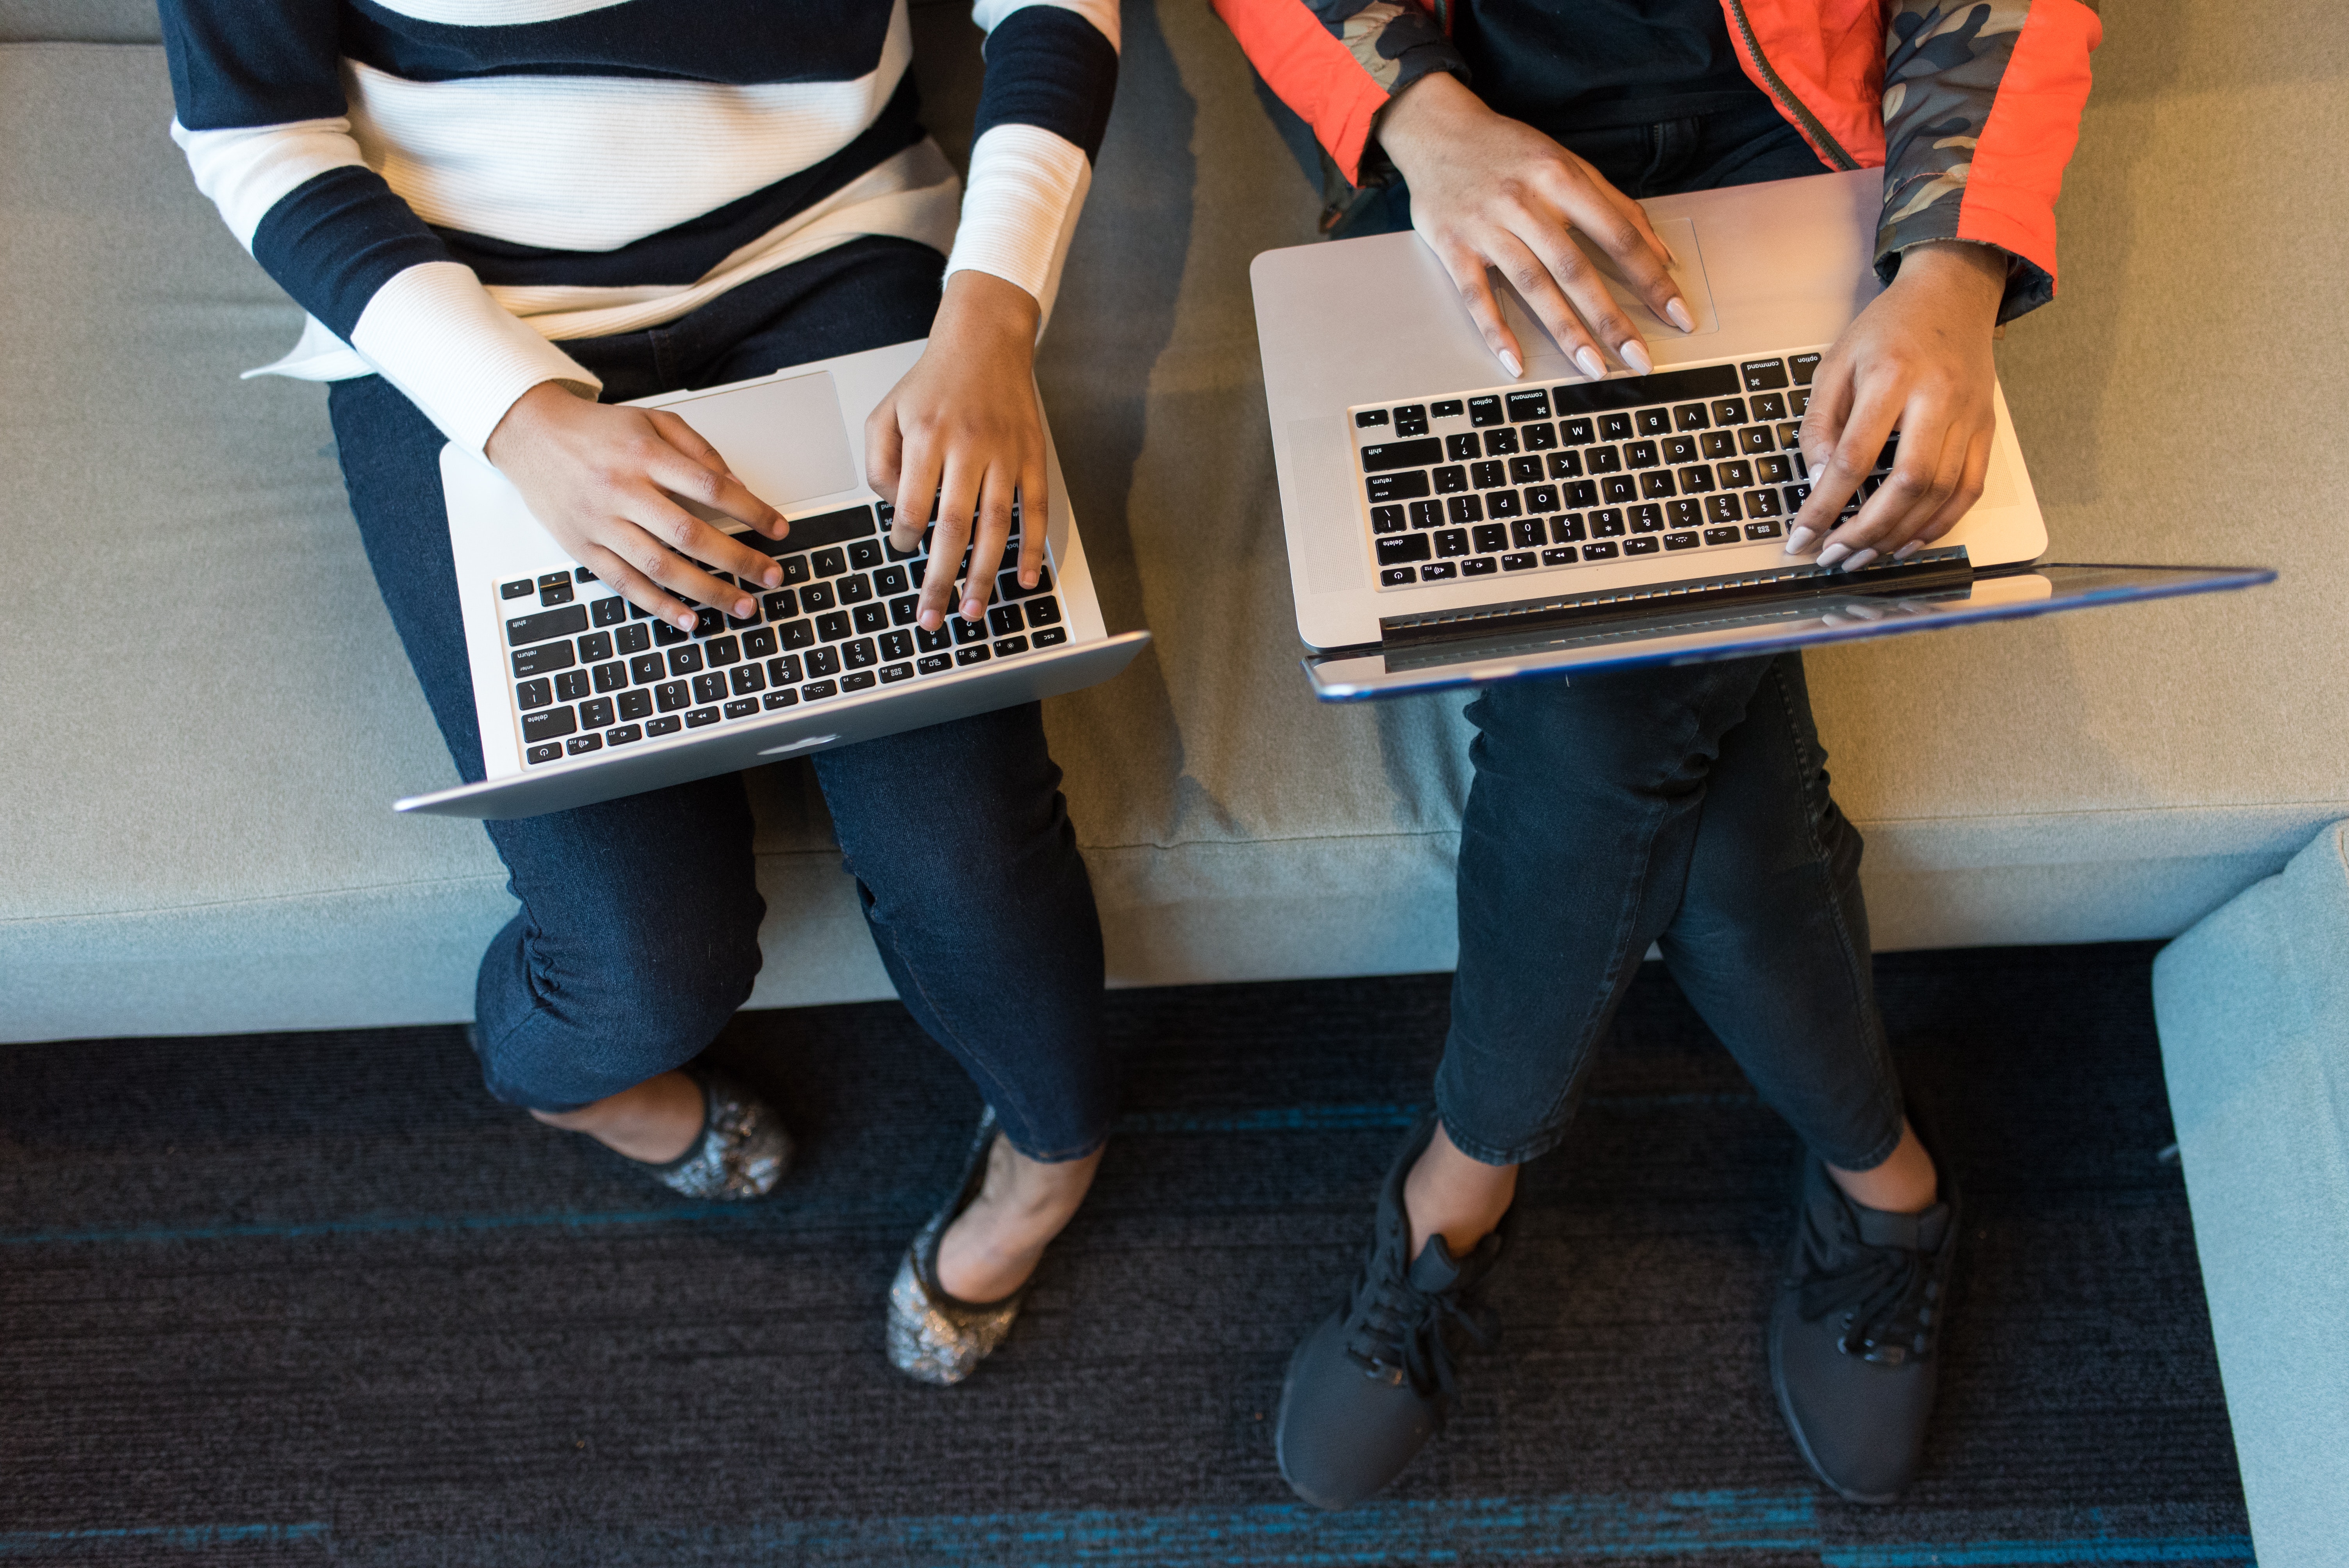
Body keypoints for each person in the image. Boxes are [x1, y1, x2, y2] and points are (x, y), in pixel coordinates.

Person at [157, 0, 1124, 1386]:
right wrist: (517, 417)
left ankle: (1051, 1166)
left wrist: (991, 318)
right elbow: (257, 132)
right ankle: (583, 1098)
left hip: (831, 246)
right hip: (467, 303)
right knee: (638, 968)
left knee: (969, 852)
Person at [1215, 0, 2099, 1505]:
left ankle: (1463, 1187)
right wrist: (1425, 121)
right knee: (1689, 762)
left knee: (1601, 714)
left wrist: (1950, 271)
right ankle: (1887, 1182)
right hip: (1478, 151)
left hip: (1797, 152)